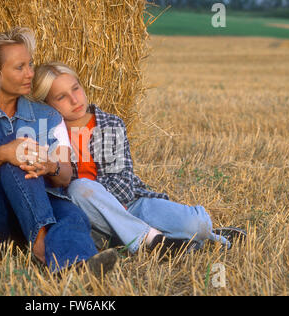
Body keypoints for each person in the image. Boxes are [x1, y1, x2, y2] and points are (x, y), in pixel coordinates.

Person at [0, 28, 118, 273]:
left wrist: (50, 166)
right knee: (13, 158)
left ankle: (77, 267)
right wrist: (3, 153)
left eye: (31, 64)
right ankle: (42, 248)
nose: (30, 74)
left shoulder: (48, 115)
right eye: (20, 67)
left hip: (42, 205)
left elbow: (65, 175)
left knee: (71, 213)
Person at [31, 62, 246, 255]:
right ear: (46, 105)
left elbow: (124, 186)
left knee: (196, 224)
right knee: (80, 188)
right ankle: (155, 239)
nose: (74, 99)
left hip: (132, 205)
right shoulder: (47, 135)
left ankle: (193, 234)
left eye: (75, 88)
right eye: (61, 97)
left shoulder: (109, 124)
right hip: (87, 215)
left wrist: (112, 210)